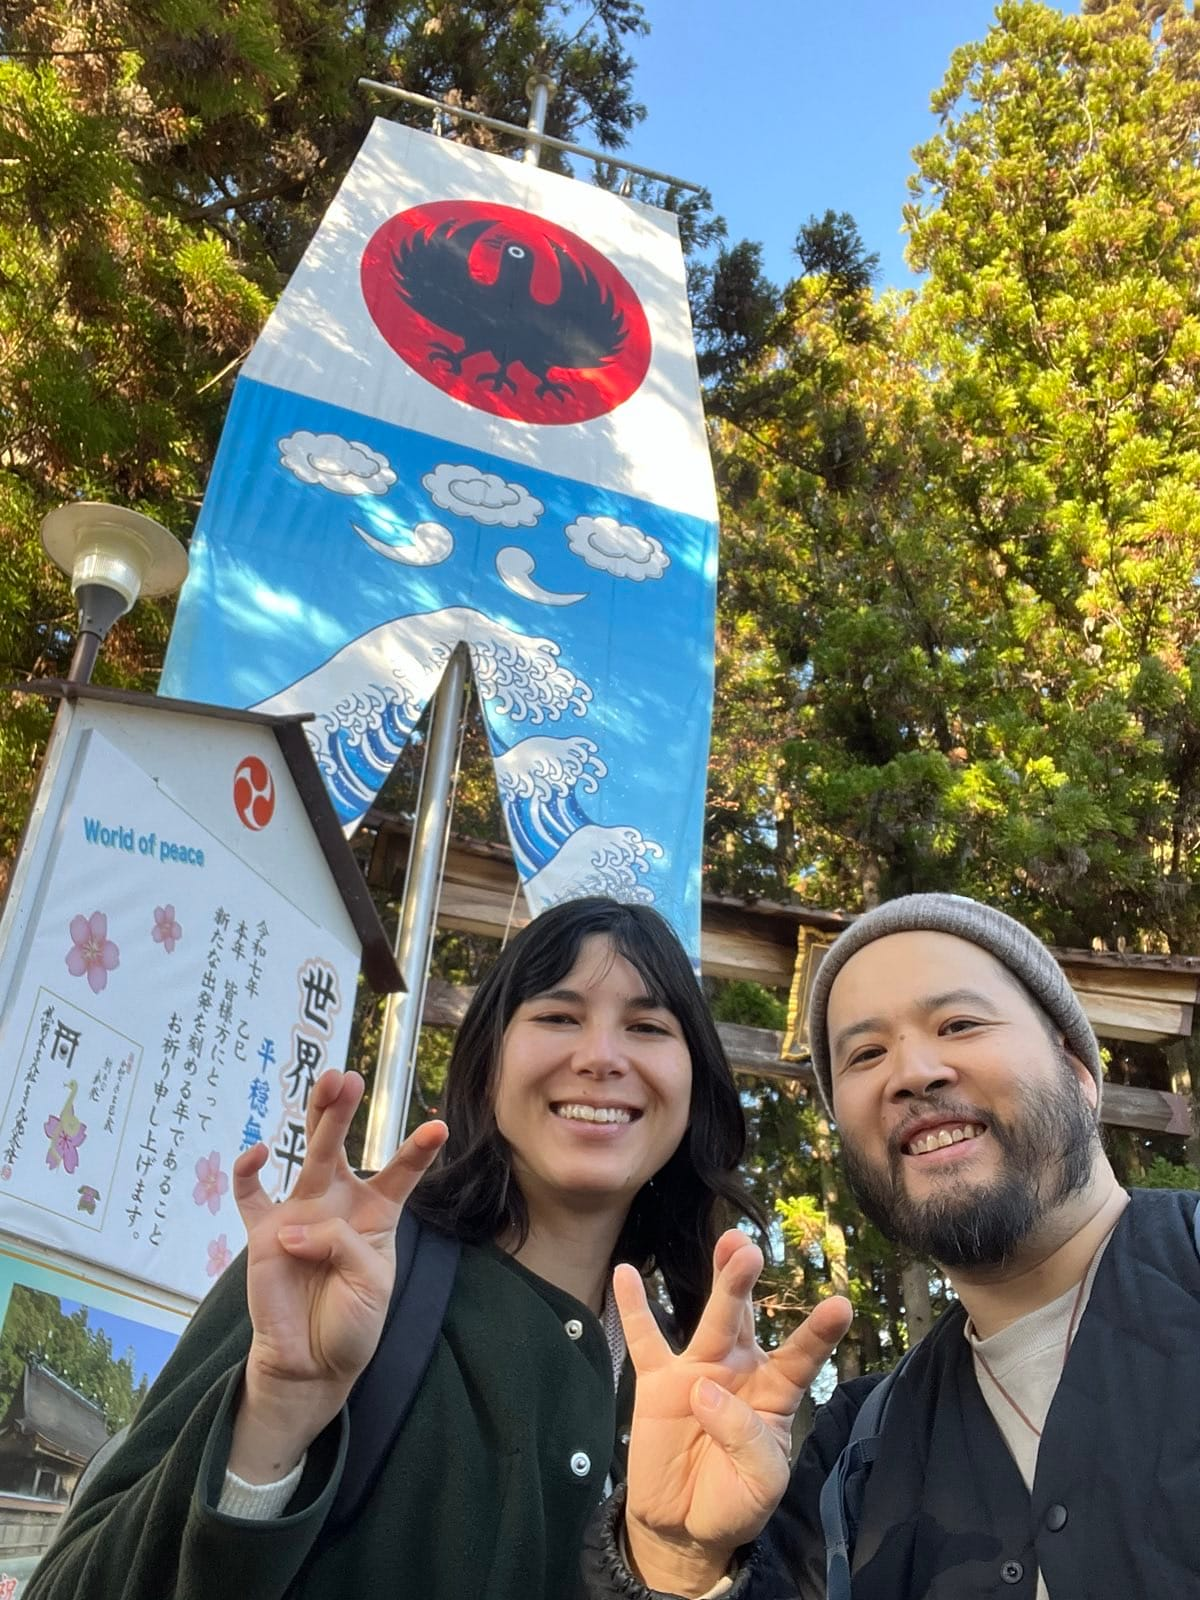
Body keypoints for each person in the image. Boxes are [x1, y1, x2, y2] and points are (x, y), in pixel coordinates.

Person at [28, 895, 844, 1600]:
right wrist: (275, 1418)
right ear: (488, 1065)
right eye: (558, 1016)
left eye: (647, 1027)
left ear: (694, 1085)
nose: (601, 1057)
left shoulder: (689, 1382)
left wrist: (684, 1564)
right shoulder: (344, 1267)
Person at [584, 892, 1200, 1599]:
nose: (911, 1073)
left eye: (959, 1024)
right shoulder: (854, 1458)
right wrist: (678, 1558)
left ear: (1080, 1074)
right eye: (866, 1054)